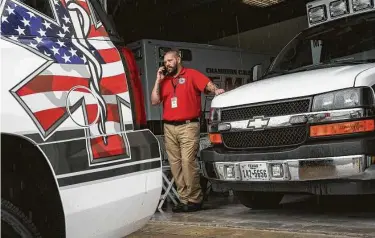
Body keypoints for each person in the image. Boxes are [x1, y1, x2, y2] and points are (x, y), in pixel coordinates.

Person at [151, 49, 225, 212]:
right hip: (169, 127)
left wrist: (215, 90)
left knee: (187, 162)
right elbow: (155, 101)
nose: (167, 64)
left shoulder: (191, 74)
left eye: (170, 60)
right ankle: (184, 199)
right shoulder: (164, 81)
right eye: (165, 62)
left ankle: (195, 199)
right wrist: (158, 80)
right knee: (175, 165)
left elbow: (207, 84)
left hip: (188, 126)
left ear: (178, 59)